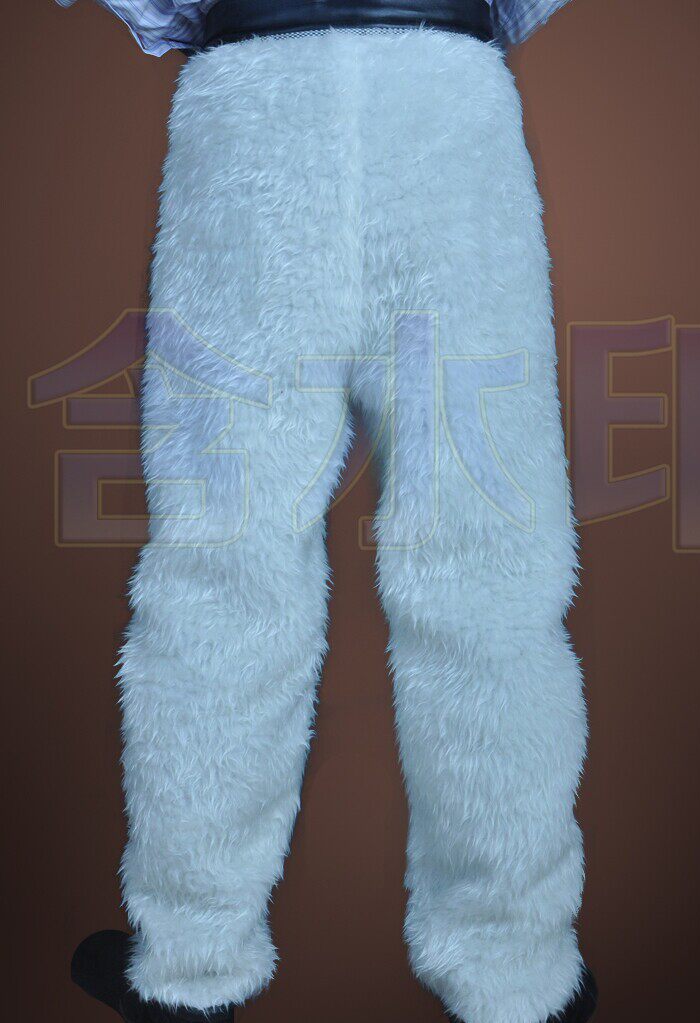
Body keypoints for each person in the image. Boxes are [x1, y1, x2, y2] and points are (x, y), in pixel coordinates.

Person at [61, 2, 598, 1022]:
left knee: (225, 557)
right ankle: (517, 971)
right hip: (447, 109)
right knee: (488, 556)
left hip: (254, 111)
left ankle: (192, 961)